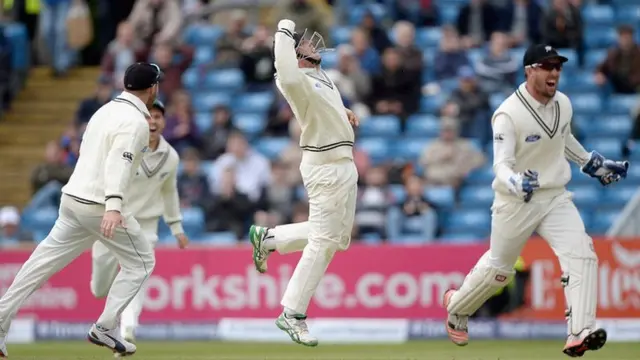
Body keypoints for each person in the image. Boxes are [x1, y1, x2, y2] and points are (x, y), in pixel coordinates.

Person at [442, 45, 629, 358]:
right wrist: (516, 181)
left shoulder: (564, 104)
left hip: (555, 195)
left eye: (557, 67)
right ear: (529, 70)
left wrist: (593, 164)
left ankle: (579, 332)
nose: (554, 73)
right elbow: (501, 165)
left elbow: (564, 139)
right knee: (499, 271)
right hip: (515, 200)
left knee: (582, 254)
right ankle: (457, 309)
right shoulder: (507, 113)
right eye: (547, 66)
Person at [0, 62, 162, 358]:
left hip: (73, 199)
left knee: (41, 263)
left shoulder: (103, 111)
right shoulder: (137, 121)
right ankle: (106, 326)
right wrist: (114, 206)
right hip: (100, 206)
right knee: (141, 262)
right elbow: (119, 162)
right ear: (153, 88)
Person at [247, 19, 359, 347]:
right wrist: (284, 28)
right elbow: (284, 66)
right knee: (323, 242)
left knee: (337, 239)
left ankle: (268, 239)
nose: (314, 45)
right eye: (305, 44)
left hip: (343, 163)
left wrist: (343, 111)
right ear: (295, 55)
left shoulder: (320, 77)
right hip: (324, 166)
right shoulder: (292, 79)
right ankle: (292, 313)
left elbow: (324, 102)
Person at [89, 99, 188, 343]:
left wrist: (176, 226)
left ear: (164, 122)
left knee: (141, 271)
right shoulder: (125, 145)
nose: (152, 122)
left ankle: (127, 327)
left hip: (145, 225)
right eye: (148, 117)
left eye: (157, 117)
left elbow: (169, 192)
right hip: (113, 220)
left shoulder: (170, 156)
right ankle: (114, 309)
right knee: (99, 288)